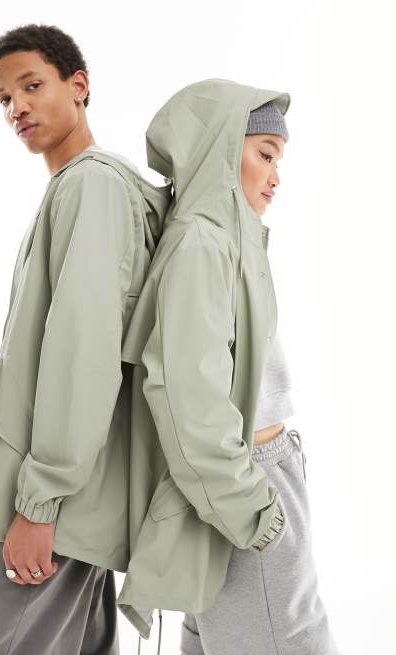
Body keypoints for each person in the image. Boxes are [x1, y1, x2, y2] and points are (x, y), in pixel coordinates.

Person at [0, 23, 171, 655]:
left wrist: (39, 503)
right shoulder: (88, 187)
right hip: (80, 506)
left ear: (78, 86)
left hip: (55, 509)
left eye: (31, 86)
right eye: (4, 97)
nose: (15, 107)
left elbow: (83, 352)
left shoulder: (91, 186)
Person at [113, 80, 341, 655]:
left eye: (278, 161)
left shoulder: (227, 243)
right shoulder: (203, 246)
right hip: (246, 489)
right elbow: (186, 399)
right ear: (219, 151)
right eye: (265, 154)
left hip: (245, 486)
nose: (275, 176)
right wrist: (257, 514)